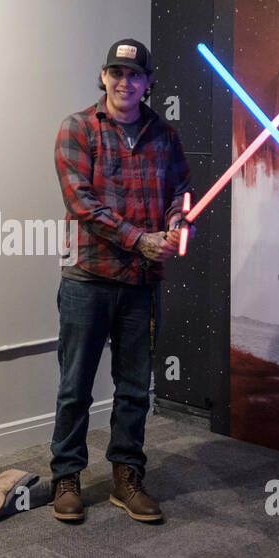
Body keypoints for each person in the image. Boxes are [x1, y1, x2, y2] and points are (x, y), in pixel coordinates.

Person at [50, 39, 190, 524]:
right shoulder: (77, 129)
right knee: (75, 386)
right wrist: (141, 240)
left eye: (134, 75)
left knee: (134, 388)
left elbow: (180, 190)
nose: (124, 82)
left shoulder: (164, 136)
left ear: (149, 81)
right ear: (103, 76)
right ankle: (66, 475)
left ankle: (126, 476)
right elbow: (81, 204)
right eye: (116, 73)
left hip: (141, 283)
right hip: (87, 278)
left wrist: (178, 220)